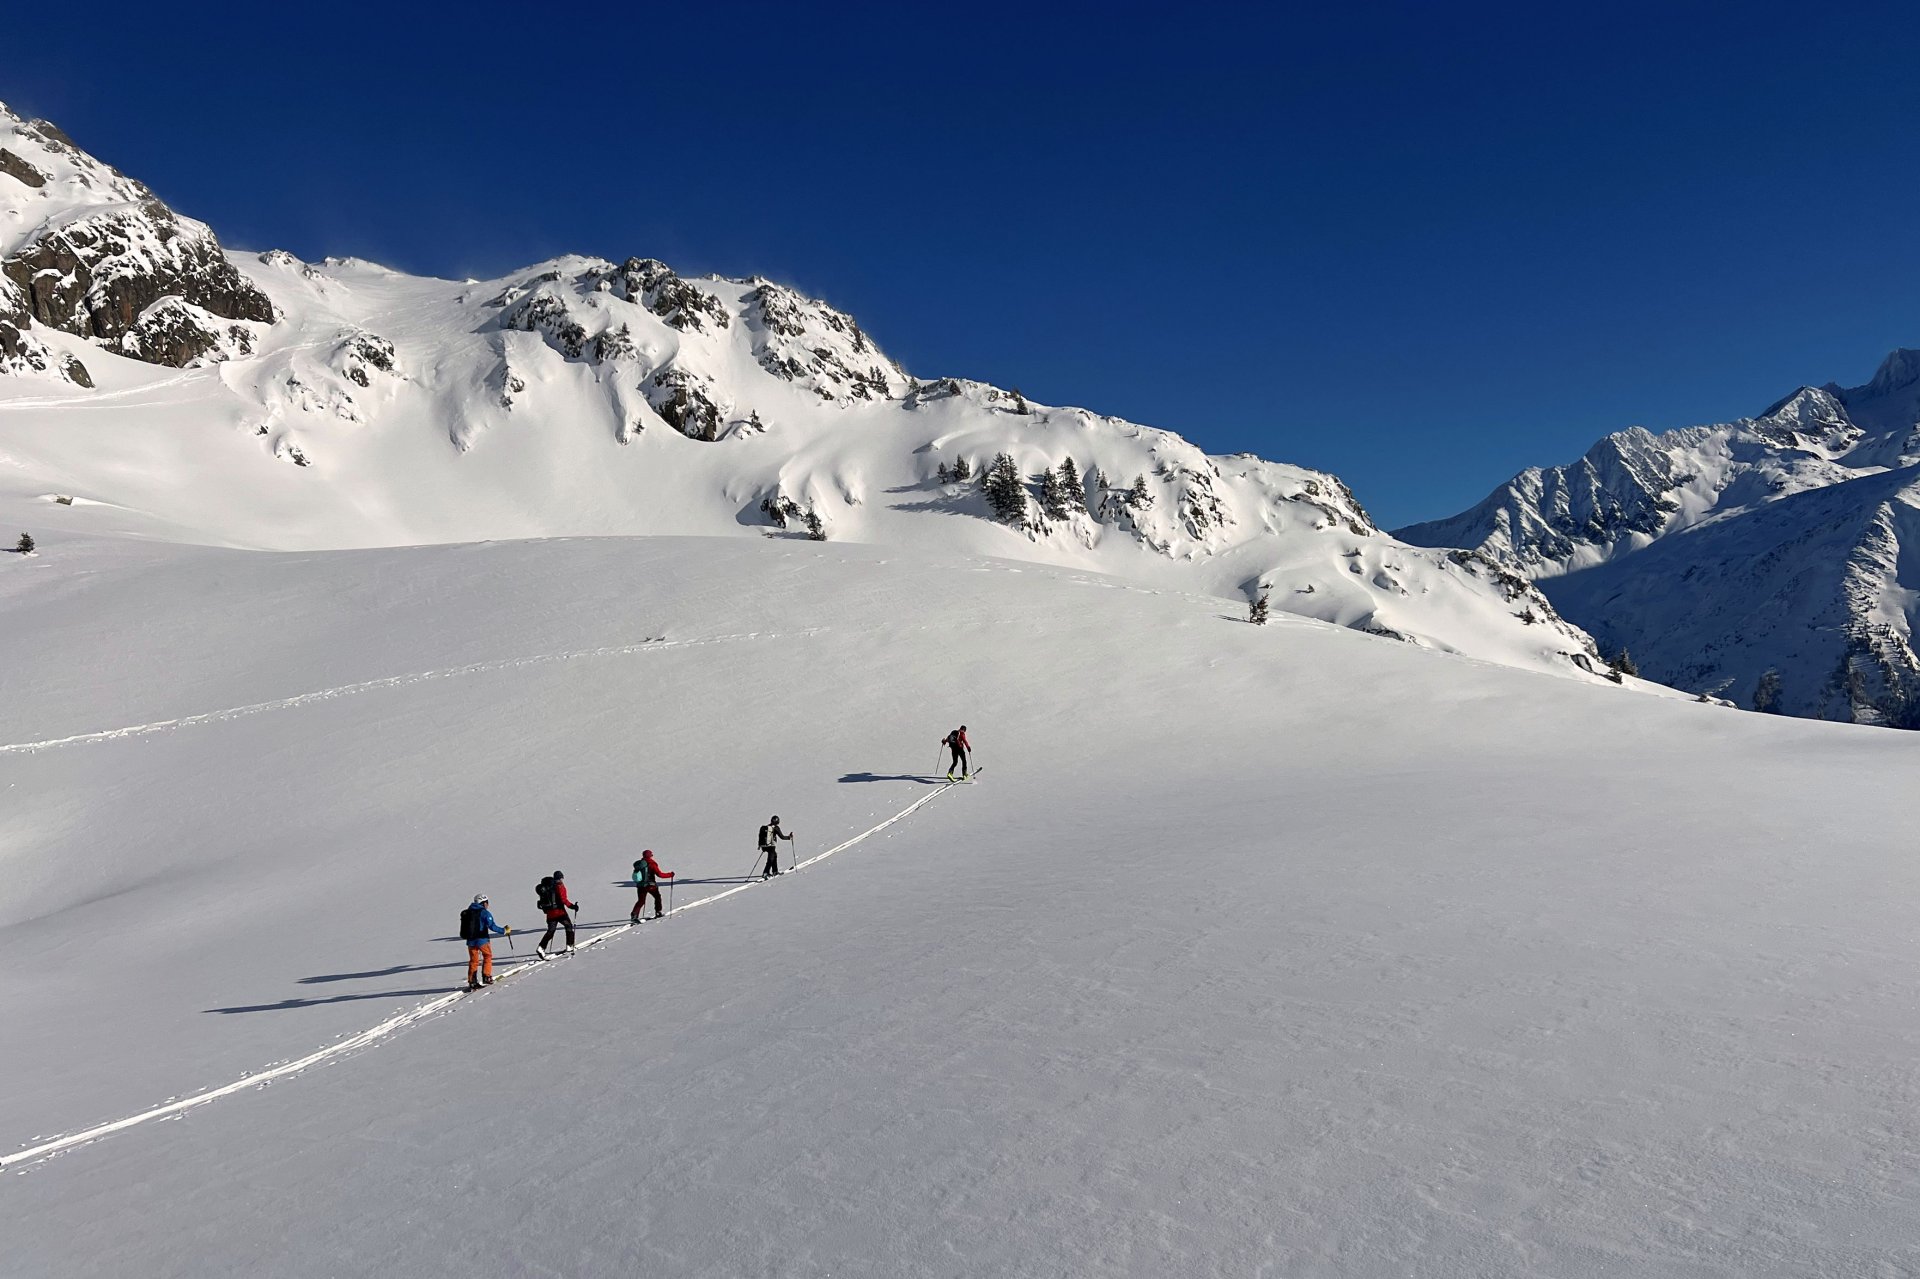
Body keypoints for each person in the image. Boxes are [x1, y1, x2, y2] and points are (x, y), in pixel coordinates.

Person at [459, 894, 510, 990]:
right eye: (487, 902)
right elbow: (492, 926)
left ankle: (472, 981)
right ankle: (486, 976)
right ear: (483, 903)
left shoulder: (468, 911)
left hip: (470, 941)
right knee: (487, 956)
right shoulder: (484, 913)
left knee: (473, 961)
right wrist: (504, 930)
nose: (488, 904)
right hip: (482, 940)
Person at [537, 870, 579, 957]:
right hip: (560, 913)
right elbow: (564, 900)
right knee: (568, 926)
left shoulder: (548, 888)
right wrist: (573, 906)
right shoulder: (560, 887)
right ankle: (569, 945)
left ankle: (541, 947)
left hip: (550, 914)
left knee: (551, 931)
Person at [631, 849, 674, 921]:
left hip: (641, 886)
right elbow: (660, 874)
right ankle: (658, 912)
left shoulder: (640, 864)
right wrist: (670, 875)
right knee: (657, 897)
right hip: (651, 885)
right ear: (650, 856)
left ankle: (634, 915)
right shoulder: (652, 864)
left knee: (641, 901)